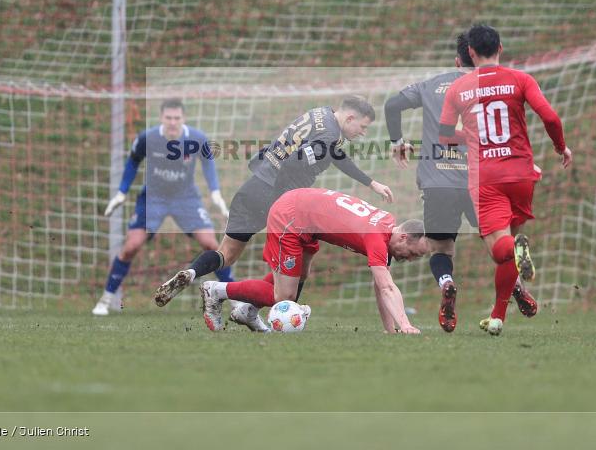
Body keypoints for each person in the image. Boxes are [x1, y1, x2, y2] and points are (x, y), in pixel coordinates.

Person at [153, 96, 395, 326]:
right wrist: (282, 201)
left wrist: (370, 182)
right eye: (363, 127)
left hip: (253, 187)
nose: (363, 133)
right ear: (350, 118)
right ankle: (264, 308)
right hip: (277, 197)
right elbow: (295, 162)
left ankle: (193, 273)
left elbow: (331, 152)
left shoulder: (321, 115)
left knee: (226, 253)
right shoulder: (330, 134)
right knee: (297, 263)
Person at [383, 32, 537, 333]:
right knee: (499, 244)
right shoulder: (498, 85)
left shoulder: (432, 84)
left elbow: (392, 105)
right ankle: (515, 286)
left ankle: (447, 283)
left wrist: (398, 141)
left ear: (458, 59)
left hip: (437, 181)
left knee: (441, 249)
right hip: (482, 181)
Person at [439, 24, 572, 336]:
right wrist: (560, 147)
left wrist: (469, 136)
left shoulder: (458, 90)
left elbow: (444, 136)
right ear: (500, 48)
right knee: (509, 249)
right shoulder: (520, 79)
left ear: (470, 52)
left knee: (500, 249)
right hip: (522, 174)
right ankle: (497, 317)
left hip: (487, 177)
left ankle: (515, 251)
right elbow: (551, 117)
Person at [200, 188, 428, 334]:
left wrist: (391, 331)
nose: (409, 260)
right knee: (284, 296)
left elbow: (381, 285)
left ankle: (248, 310)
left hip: (305, 212)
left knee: (301, 274)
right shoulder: (377, 238)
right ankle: (216, 291)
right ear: (404, 237)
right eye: (413, 253)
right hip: (291, 215)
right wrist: (406, 325)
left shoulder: (387, 225)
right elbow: (387, 287)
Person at [92, 98, 232, 316]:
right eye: (169, 118)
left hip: (186, 198)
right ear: (161, 118)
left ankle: (235, 298)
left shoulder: (196, 138)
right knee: (131, 246)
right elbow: (133, 161)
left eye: (177, 118)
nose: (173, 122)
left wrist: (215, 193)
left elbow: (208, 162)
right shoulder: (148, 138)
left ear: (183, 119)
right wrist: (121, 192)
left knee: (211, 243)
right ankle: (106, 298)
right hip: (153, 198)